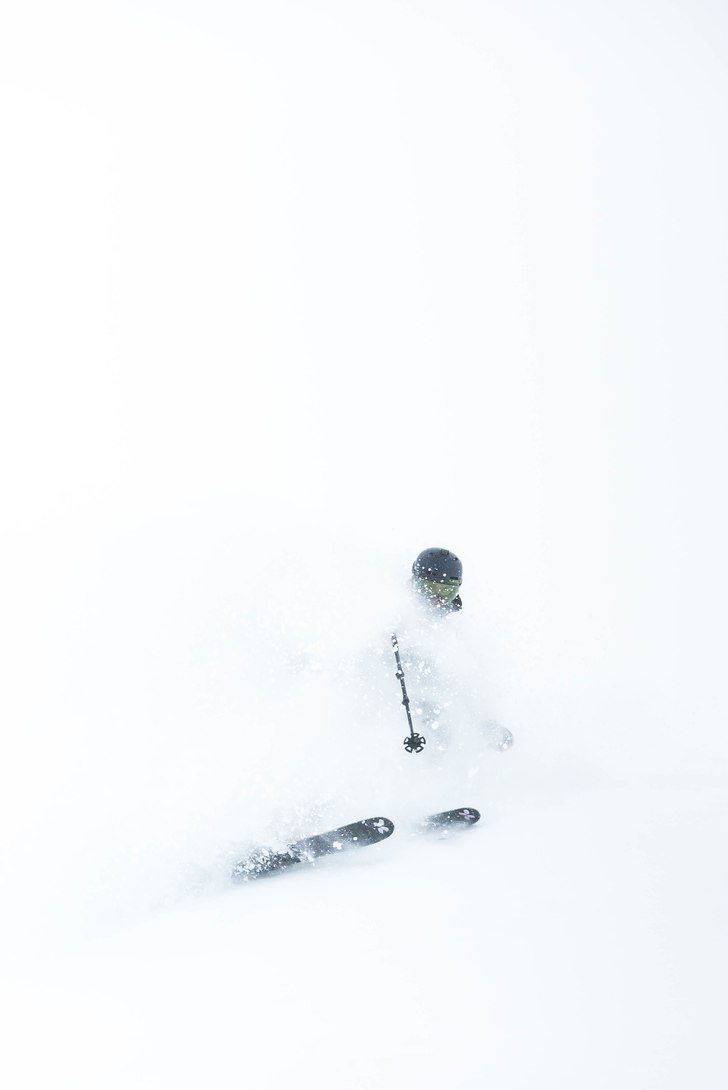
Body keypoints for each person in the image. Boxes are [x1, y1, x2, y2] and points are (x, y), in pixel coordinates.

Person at [401, 546, 513, 751]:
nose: (437, 598)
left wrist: (484, 724)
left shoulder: (450, 630)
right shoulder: (392, 614)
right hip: (395, 703)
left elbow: (461, 681)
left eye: (447, 591)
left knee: (443, 733)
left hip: (433, 705)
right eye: (430, 588)